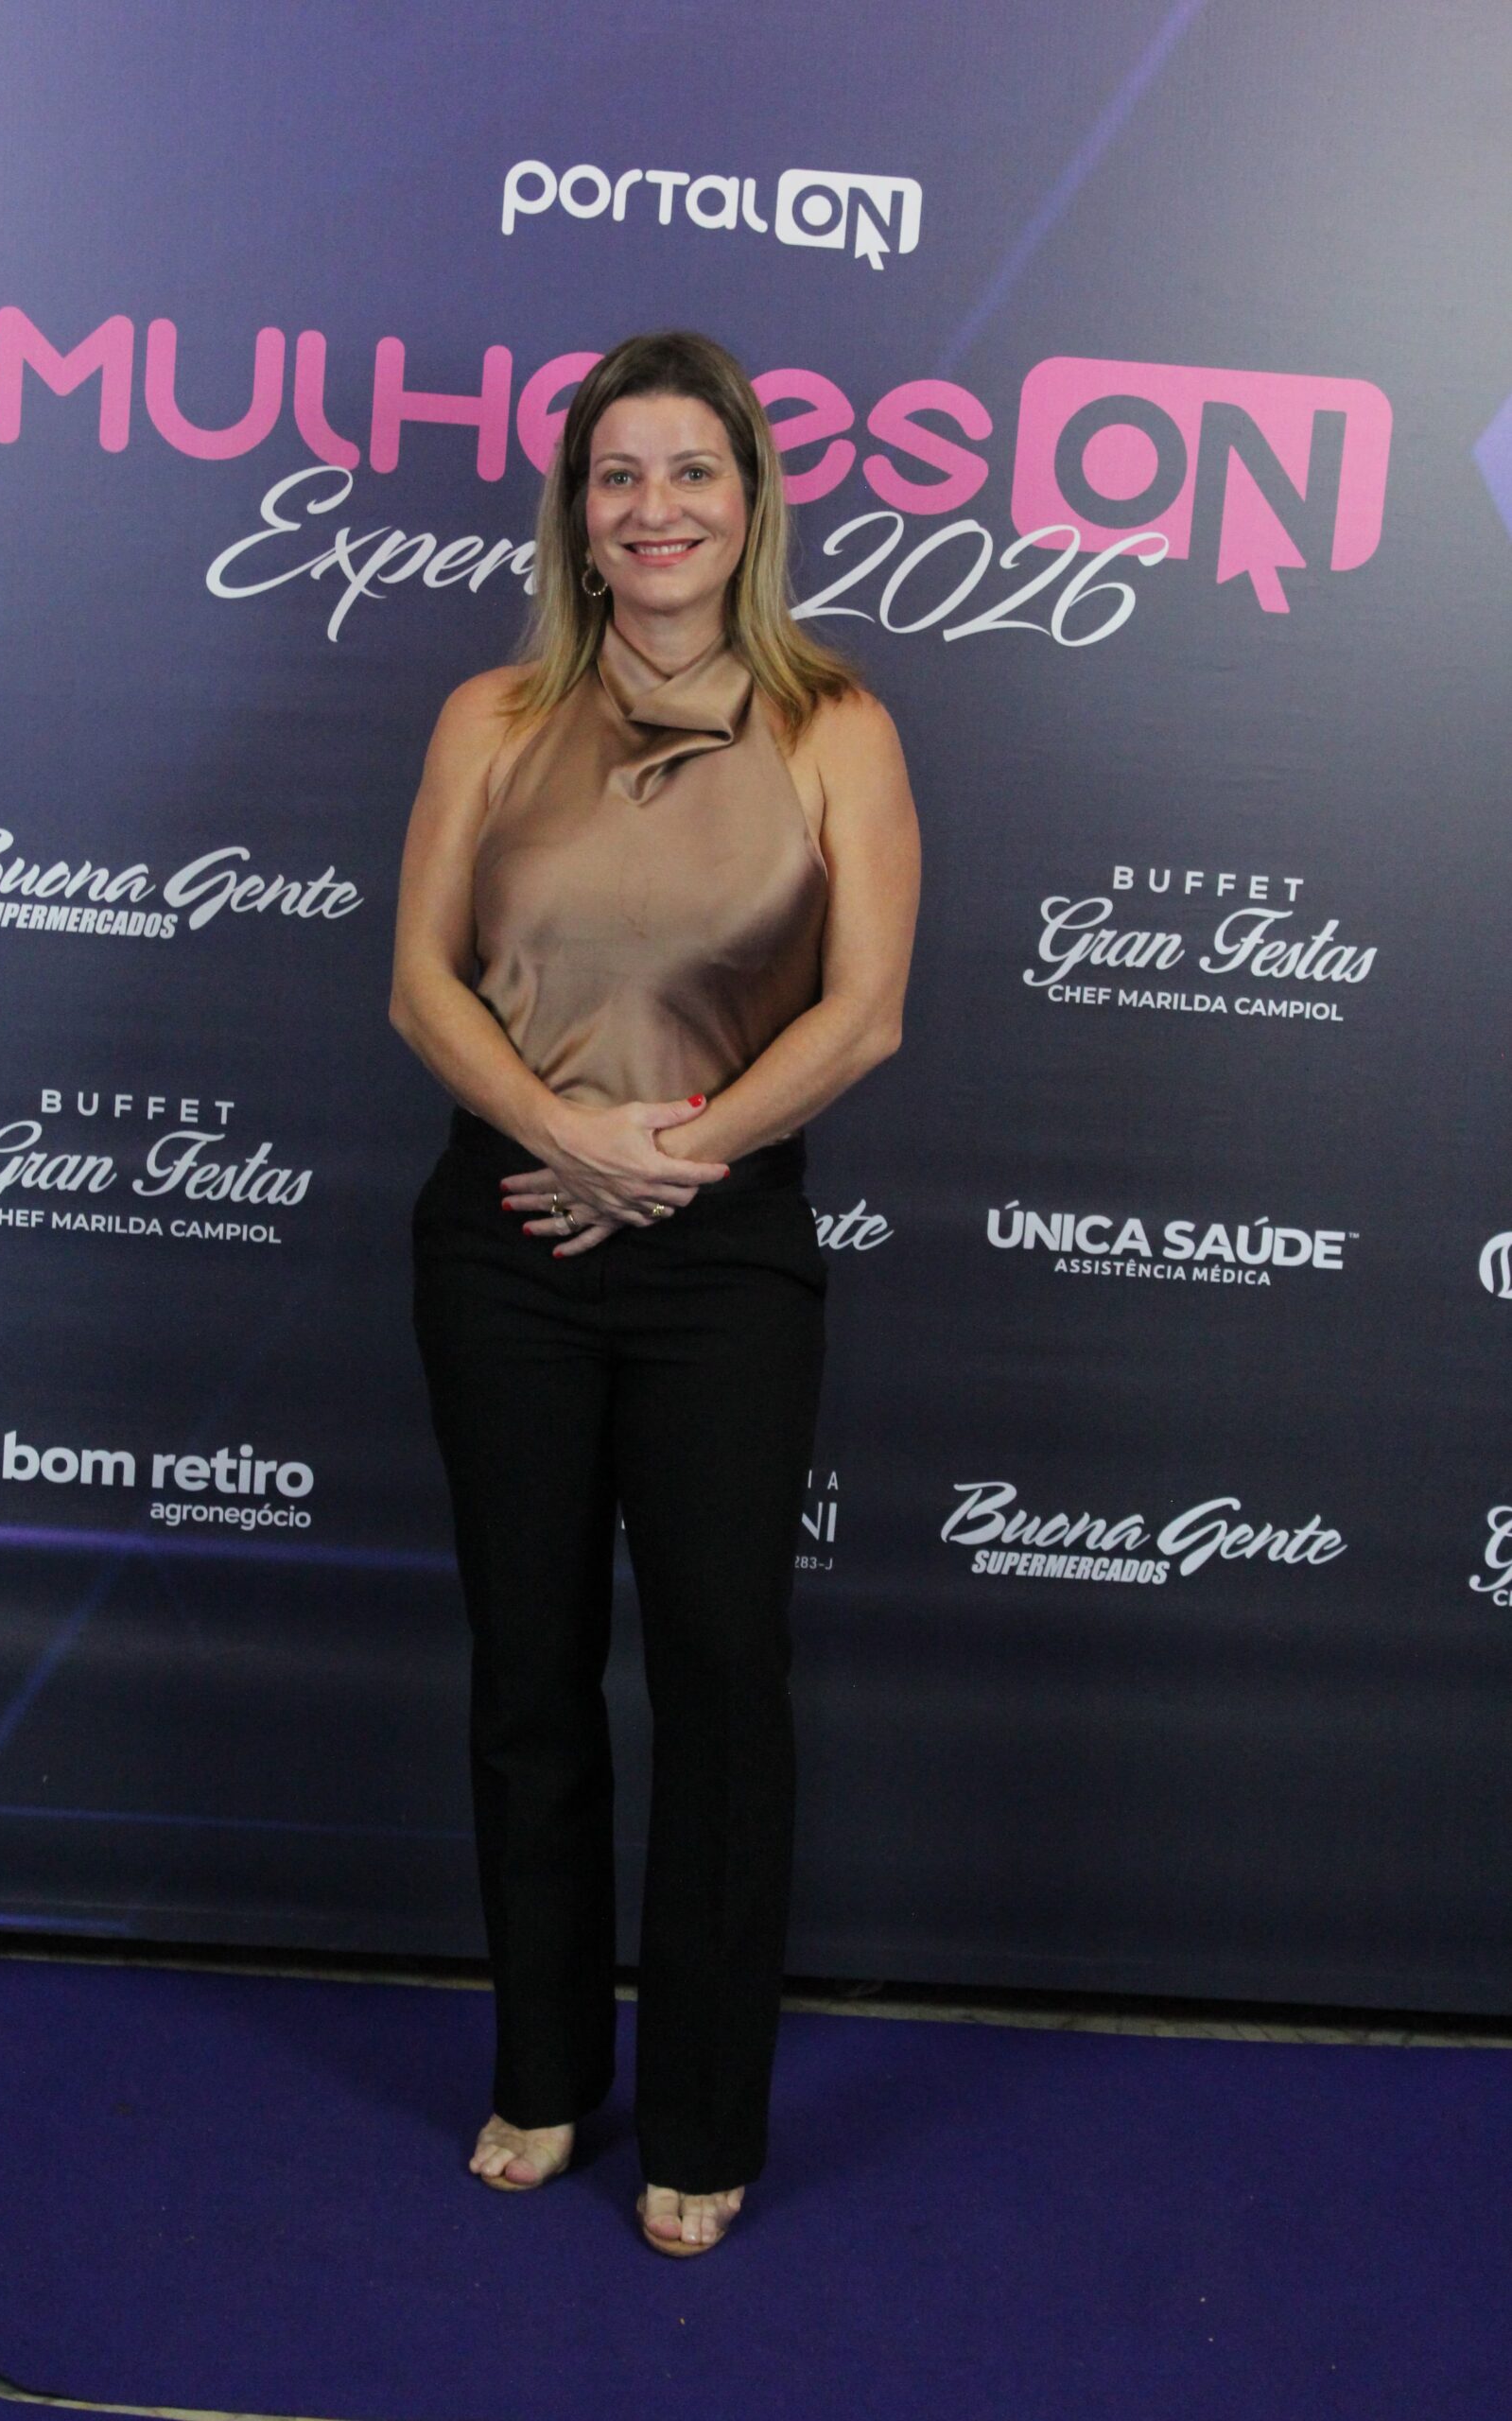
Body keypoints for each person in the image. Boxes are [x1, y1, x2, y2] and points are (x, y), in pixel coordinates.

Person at [390, 329, 919, 2255]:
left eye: (692, 470)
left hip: (722, 1255)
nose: (655, 506)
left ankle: (700, 2113)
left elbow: (863, 1012)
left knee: (717, 1678)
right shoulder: (490, 713)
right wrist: (563, 1134)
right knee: (527, 1673)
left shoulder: (835, 725)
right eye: (618, 474)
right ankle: (542, 2073)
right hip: (509, 1237)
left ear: (750, 501)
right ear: (577, 513)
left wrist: (663, 1156)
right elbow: (419, 984)